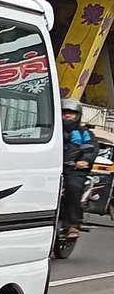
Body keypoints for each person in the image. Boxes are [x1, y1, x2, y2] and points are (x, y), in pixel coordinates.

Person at [60, 99, 98, 238]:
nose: (67, 116)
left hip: (74, 170)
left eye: (71, 113)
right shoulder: (52, 130)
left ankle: (72, 225)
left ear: (78, 115)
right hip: (53, 167)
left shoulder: (83, 133)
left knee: (73, 187)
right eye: (64, 113)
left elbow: (91, 147)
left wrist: (84, 160)